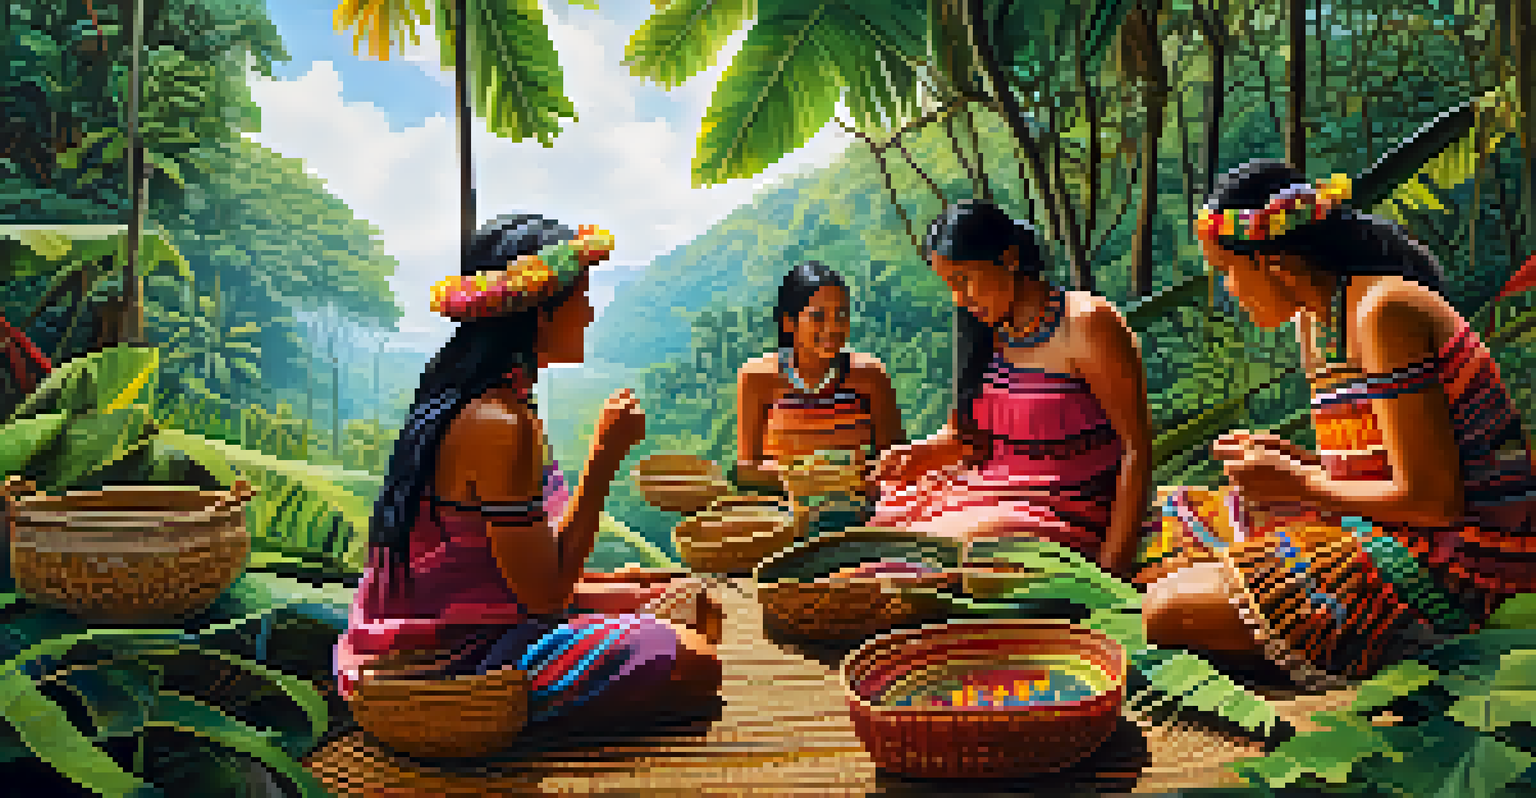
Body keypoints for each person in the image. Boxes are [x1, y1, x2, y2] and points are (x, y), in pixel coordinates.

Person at [1142, 160, 1536, 684]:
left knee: (1167, 609)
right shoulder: (1317, 321)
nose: (1228, 291)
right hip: (1387, 531)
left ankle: (1414, 641)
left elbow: (1434, 500)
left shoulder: (1382, 313)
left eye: (1228, 272)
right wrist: (1291, 461)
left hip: (1462, 566)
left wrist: (1298, 481)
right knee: (1172, 526)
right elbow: (1378, 470)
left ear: (1273, 261)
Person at [334, 214, 721, 725]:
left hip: (486, 621)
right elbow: (545, 596)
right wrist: (604, 458)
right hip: (450, 662)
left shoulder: (492, 403)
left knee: (693, 606)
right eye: (581, 297)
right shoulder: (498, 424)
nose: (588, 313)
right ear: (541, 313)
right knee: (697, 661)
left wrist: (628, 592)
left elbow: (510, 574)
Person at [870, 200, 1153, 578]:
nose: (959, 298)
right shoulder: (983, 329)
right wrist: (925, 452)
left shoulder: (1087, 325)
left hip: (1065, 507)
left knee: (934, 559)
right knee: (881, 538)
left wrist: (1111, 576)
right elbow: (970, 436)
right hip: (991, 490)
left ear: (1009, 258)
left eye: (964, 279)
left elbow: (1137, 448)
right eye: (949, 285)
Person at [734, 261, 905, 497]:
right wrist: (803, 478)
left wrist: (855, 478)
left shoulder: (870, 376)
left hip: (858, 515)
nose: (833, 328)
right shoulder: (758, 378)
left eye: (841, 315)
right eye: (818, 317)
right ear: (789, 323)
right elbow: (746, 470)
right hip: (785, 517)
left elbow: (897, 461)